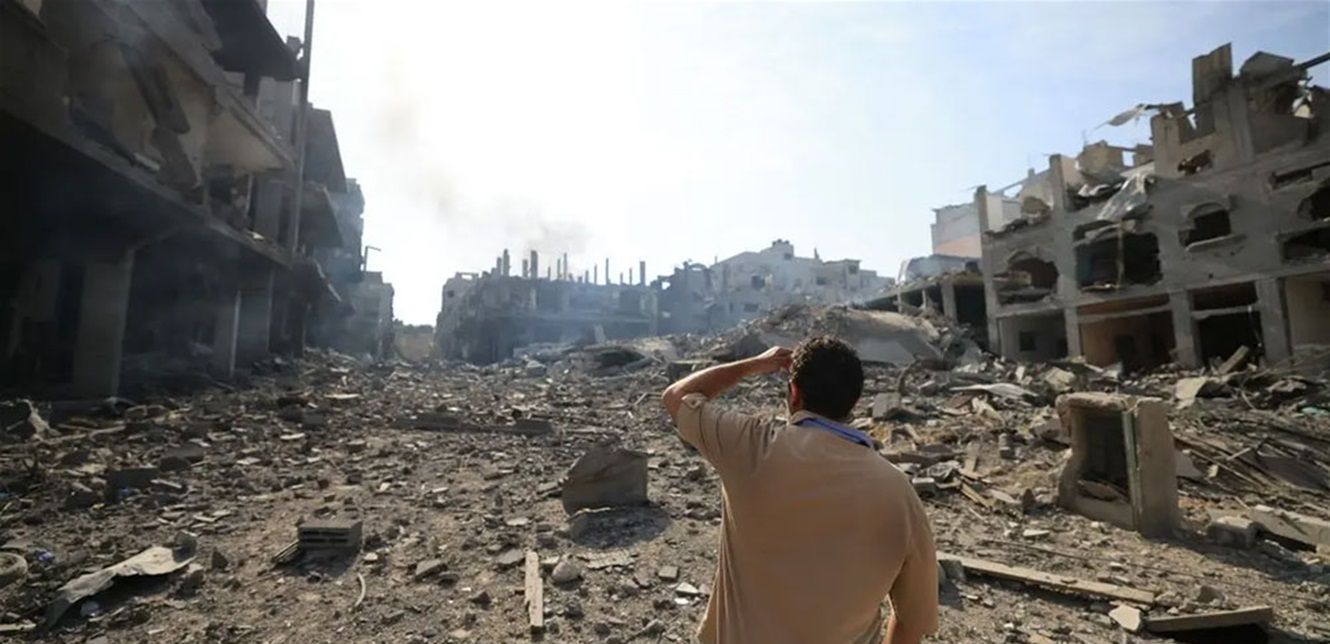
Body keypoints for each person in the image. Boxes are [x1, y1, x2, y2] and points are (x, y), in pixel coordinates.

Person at [661, 336, 938, 644]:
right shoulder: (899, 492)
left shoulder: (751, 447)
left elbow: (677, 396)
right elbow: (911, 623)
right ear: (855, 401)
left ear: (794, 393)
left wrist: (754, 365)